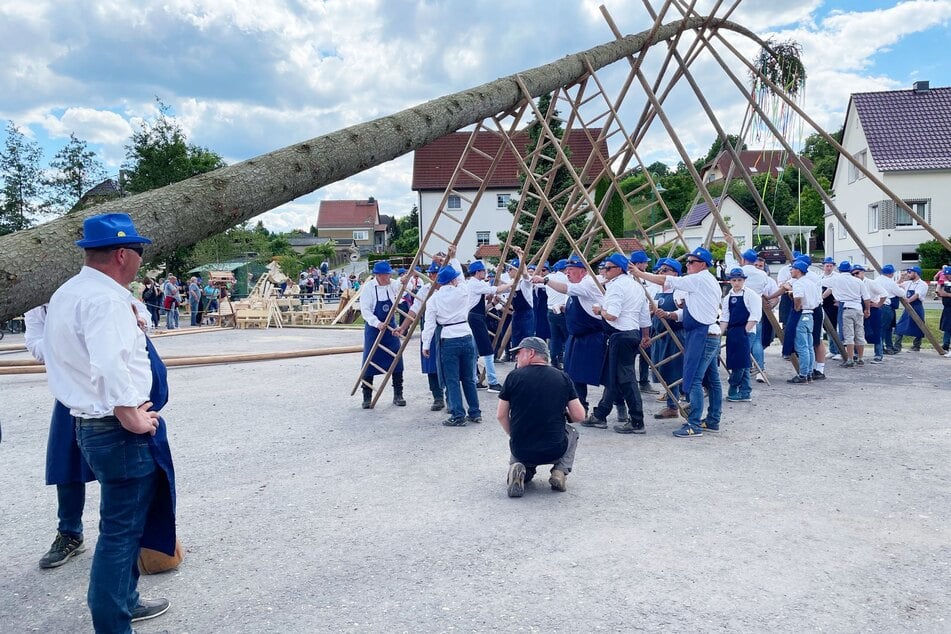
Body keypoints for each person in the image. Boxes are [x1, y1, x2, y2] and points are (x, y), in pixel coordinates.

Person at [43, 212, 176, 633]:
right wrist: (129, 413)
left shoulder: (73, 290)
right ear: (122, 254)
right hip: (115, 428)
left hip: (92, 423)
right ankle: (113, 622)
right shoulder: (103, 299)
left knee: (122, 523)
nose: (140, 259)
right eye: (138, 252)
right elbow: (108, 363)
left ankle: (126, 601)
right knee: (120, 533)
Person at [631, 246, 722, 437]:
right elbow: (693, 310)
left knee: (695, 380)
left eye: (692, 262)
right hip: (706, 332)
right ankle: (713, 419)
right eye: (687, 262)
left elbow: (668, 280)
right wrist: (673, 313)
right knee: (712, 380)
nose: (688, 265)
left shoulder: (699, 279)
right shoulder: (704, 280)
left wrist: (640, 273)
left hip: (702, 335)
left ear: (703, 264)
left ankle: (694, 424)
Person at [497, 337, 586, 497]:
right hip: (554, 448)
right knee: (572, 432)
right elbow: (580, 415)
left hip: (522, 448)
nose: (516, 357)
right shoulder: (562, 377)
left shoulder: (513, 377)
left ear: (531, 353)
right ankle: (560, 471)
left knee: (521, 449)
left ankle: (520, 470)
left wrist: (513, 434)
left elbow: (501, 415)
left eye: (519, 353)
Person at [584, 253, 651, 434]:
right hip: (631, 334)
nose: (604, 271)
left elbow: (612, 314)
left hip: (620, 334)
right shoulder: (636, 286)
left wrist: (600, 310)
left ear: (619, 269)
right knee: (614, 377)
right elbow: (644, 314)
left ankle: (637, 421)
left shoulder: (616, 287)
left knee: (626, 379)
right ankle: (600, 414)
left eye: (608, 268)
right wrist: (645, 334)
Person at [535, 255, 605, 416]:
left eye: (571, 271)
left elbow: (568, 289)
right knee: (574, 375)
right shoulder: (575, 284)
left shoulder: (588, 283)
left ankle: (613, 409)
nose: (568, 274)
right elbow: (572, 298)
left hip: (592, 337)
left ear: (583, 272)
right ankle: (580, 409)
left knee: (606, 376)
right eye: (567, 271)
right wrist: (562, 306)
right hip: (576, 337)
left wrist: (545, 280)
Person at [421, 265, 482, 426]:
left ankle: (458, 414)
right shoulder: (462, 290)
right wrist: (453, 257)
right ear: (453, 280)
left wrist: (425, 344)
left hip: (448, 337)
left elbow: (429, 324)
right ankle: (475, 412)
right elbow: (462, 277)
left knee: (452, 380)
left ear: (439, 282)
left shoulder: (433, 299)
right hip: (466, 334)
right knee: (469, 378)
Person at [358, 260, 406, 408]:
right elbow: (365, 311)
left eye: (389, 274)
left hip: (390, 328)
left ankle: (398, 394)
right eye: (386, 274)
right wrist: (377, 323)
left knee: (396, 360)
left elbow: (405, 285)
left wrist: (404, 280)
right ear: (378, 275)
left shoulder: (392, 284)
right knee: (369, 360)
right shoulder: (368, 288)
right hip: (374, 329)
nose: (388, 276)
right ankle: (367, 396)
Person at [648, 257, 686, 419]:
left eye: (665, 271)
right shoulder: (657, 291)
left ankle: (681, 404)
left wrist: (669, 315)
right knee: (665, 372)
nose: (660, 273)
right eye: (660, 271)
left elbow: (685, 313)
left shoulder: (680, 291)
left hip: (675, 335)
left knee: (677, 372)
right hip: (660, 335)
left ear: (674, 274)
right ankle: (671, 405)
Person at [719, 268, 762, 401]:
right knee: (736, 362)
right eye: (734, 280)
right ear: (730, 281)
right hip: (732, 331)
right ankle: (745, 392)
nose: (737, 283)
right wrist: (719, 334)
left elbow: (755, 316)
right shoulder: (727, 297)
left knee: (742, 363)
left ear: (744, 280)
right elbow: (725, 317)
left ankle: (734, 387)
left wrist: (745, 331)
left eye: (739, 280)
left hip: (746, 331)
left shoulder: (751, 295)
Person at [822, 261, 871, 367]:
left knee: (849, 335)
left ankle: (850, 359)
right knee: (859, 333)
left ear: (839, 269)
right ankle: (860, 358)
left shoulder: (836, 279)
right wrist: (867, 309)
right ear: (850, 270)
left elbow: (822, 283)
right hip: (858, 307)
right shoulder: (858, 281)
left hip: (845, 308)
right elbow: (866, 298)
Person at [784, 260, 822, 383]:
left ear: (798, 270)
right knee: (809, 345)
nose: (791, 271)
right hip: (810, 313)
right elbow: (817, 300)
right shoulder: (811, 283)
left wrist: (796, 307)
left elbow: (798, 298)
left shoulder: (798, 283)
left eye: (793, 269)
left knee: (802, 346)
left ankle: (803, 374)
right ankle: (809, 372)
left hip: (801, 313)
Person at [894, 266, 929, 352]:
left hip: (917, 307)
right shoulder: (908, 283)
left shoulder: (923, 284)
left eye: (910, 272)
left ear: (916, 273)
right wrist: (901, 278)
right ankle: (897, 345)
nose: (908, 275)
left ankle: (916, 345)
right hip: (908, 307)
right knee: (901, 325)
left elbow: (917, 295)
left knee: (919, 326)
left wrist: (908, 300)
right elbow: (895, 286)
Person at [545, 259, 570, 370]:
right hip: (562, 310)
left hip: (550, 311)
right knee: (568, 337)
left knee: (554, 338)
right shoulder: (566, 278)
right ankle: (566, 360)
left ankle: (554, 361)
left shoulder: (549, 277)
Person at [937, 266, 951, 353]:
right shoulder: (944, 282)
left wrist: (946, 294)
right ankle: (945, 344)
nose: (947, 276)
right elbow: (940, 292)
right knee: (947, 327)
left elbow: (944, 293)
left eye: (948, 275)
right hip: (947, 308)